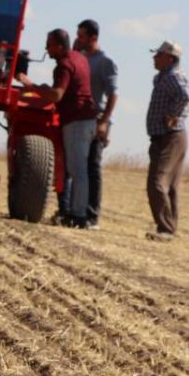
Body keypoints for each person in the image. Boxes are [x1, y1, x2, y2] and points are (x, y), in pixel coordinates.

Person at [17, 29, 95, 227]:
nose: (46, 48)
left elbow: (57, 95)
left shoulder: (64, 65)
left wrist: (32, 87)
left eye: (49, 44)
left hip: (76, 121)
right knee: (77, 169)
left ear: (60, 46)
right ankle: (71, 211)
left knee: (77, 170)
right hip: (87, 119)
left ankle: (78, 216)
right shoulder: (79, 57)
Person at [144, 40, 189, 241]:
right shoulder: (164, 77)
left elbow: (185, 95)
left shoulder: (173, 77)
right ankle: (168, 229)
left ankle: (165, 229)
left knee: (158, 183)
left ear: (169, 58)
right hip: (165, 137)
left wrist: (173, 115)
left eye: (158, 55)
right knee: (168, 185)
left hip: (170, 137)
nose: (154, 58)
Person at [76, 19, 118, 228]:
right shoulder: (81, 59)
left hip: (97, 119)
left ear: (93, 38)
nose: (78, 39)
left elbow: (113, 95)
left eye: (82, 36)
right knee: (78, 167)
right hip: (80, 120)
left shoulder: (105, 62)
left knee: (93, 166)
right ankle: (77, 212)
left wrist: (104, 122)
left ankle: (92, 216)